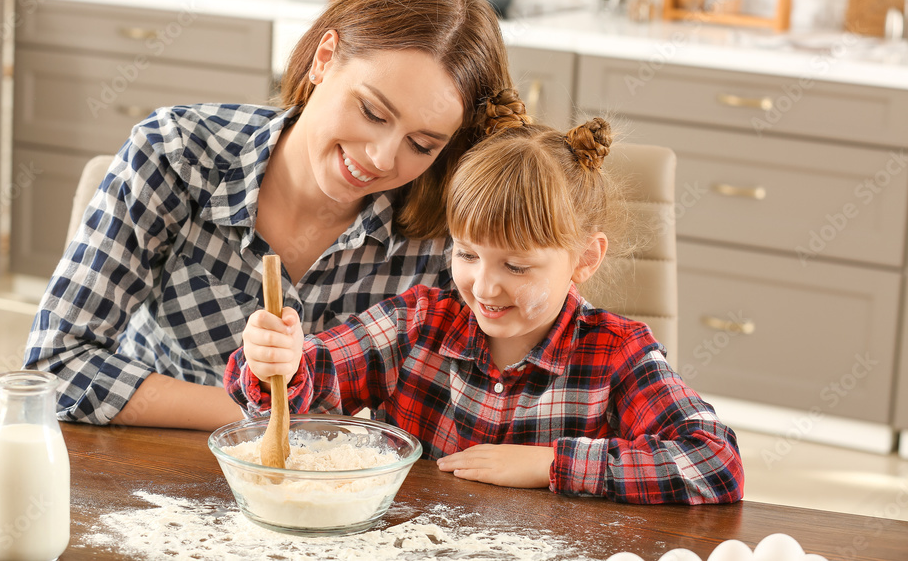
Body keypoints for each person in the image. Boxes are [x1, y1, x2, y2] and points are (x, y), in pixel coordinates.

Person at [24, 0, 518, 431]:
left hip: (332, 482)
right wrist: (264, 415)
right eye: (372, 111)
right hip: (151, 454)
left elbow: (498, 391)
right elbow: (56, 364)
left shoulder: (451, 228)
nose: (383, 158)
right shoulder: (176, 153)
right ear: (325, 59)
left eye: (421, 144)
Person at [226, 114, 745, 504]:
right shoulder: (418, 323)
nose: (485, 287)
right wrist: (280, 361)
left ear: (585, 259)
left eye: (516, 267)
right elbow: (311, 378)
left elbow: (716, 462)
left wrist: (549, 464)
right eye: (468, 254)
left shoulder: (617, 354)